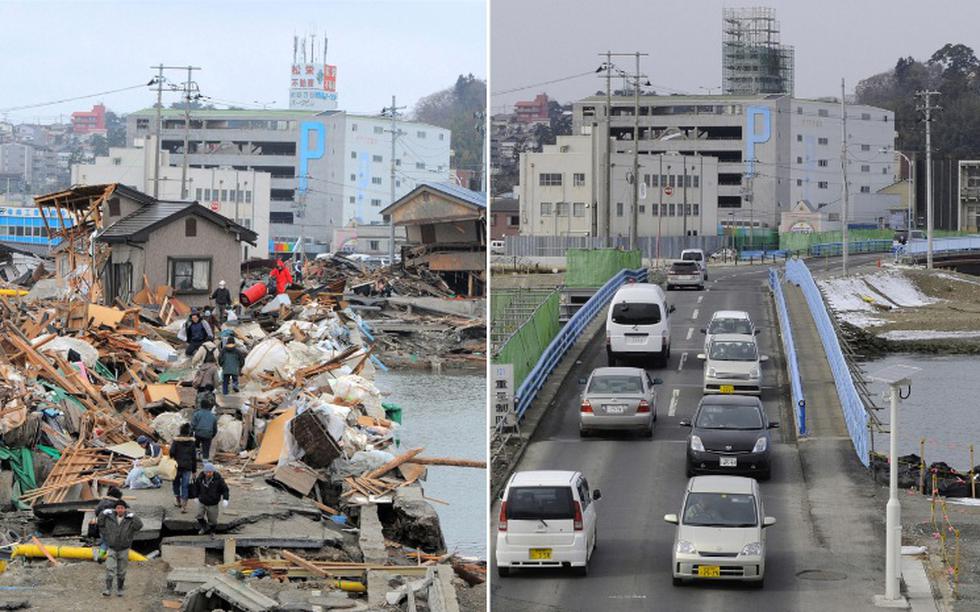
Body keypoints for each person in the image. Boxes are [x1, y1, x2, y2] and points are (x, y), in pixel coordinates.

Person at [97, 499, 142, 597]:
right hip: (112, 548)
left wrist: (134, 517)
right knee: (109, 569)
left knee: (121, 572)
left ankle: (120, 589)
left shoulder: (129, 519)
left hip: (124, 549)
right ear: (115, 509)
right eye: (118, 508)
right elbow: (100, 523)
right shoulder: (109, 517)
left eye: (122, 508)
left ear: (125, 509)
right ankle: (108, 589)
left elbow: (139, 526)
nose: (120, 510)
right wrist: (102, 513)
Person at [194, 462, 230, 537]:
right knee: (199, 515)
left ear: (213, 472)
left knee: (212, 520)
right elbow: (196, 488)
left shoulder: (218, 480)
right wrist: (196, 496)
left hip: (213, 503)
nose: (208, 474)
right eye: (207, 472)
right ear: (204, 472)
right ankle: (204, 527)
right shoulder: (200, 478)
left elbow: (225, 489)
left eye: (210, 472)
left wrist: (225, 499)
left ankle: (212, 531)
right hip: (202, 501)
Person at [89, 486, 123, 559]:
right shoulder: (115, 503)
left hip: (101, 526)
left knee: (104, 542)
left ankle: (101, 556)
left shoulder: (103, 501)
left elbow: (96, 512)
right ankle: (112, 557)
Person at [169, 424, 197, 512]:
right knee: (185, 486)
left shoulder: (176, 441)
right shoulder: (192, 443)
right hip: (187, 467)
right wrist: (194, 471)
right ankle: (184, 506)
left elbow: (171, 452)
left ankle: (178, 500)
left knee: (175, 483)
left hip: (177, 466)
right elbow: (194, 457)